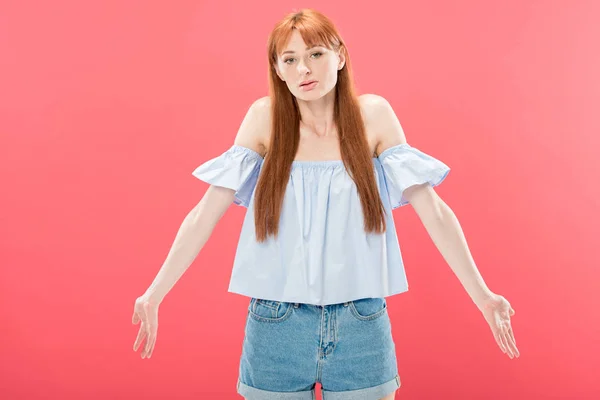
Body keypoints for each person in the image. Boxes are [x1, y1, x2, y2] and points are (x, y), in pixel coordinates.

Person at [132, 8, 519, 400]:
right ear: (278, 69)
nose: (304, 69)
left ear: (340, 56)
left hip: (360, 322)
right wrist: (155, 293)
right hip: (275, 323)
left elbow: (433, 211)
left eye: (315, 54)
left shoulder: (373, 116)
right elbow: (204, 214)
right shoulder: (264, 119)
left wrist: (483, 296)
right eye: (290, 59)